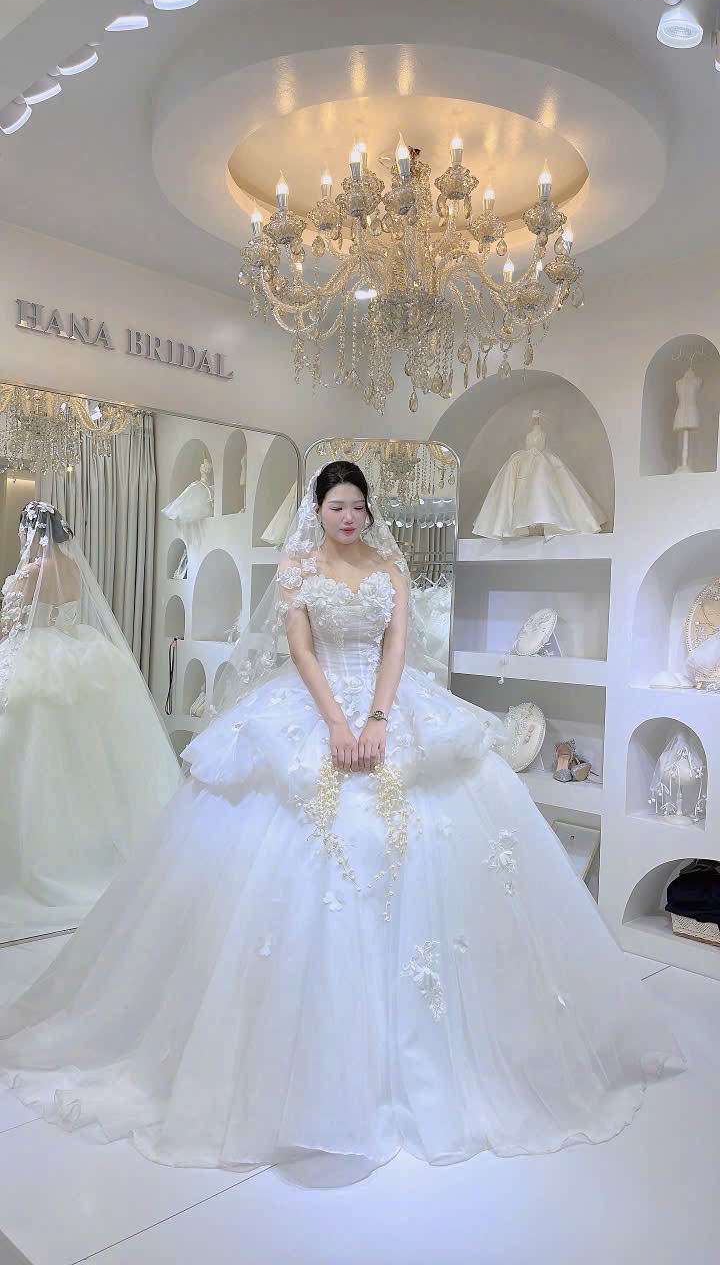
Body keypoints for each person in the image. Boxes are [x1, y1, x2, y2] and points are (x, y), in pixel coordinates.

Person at [0, 466, 685, 1188]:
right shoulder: (298, 568)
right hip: (313, 703)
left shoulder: (389, 568)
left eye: (358, 505)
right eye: (337, 505)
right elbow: (301, 650)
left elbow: (396, 648)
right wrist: (336, 721)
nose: (349, 516)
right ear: (318, 510)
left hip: (392, 704)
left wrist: (379, 718)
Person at [0, 501, 181, 936]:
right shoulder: (72, 568)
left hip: (36, 660)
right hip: (77, 655)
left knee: (32, 756)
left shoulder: (28, 573)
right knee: (80, 758)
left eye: (23, 531)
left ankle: (34, 854)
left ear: (30, 531)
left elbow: (10, 627)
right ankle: (87, 847)